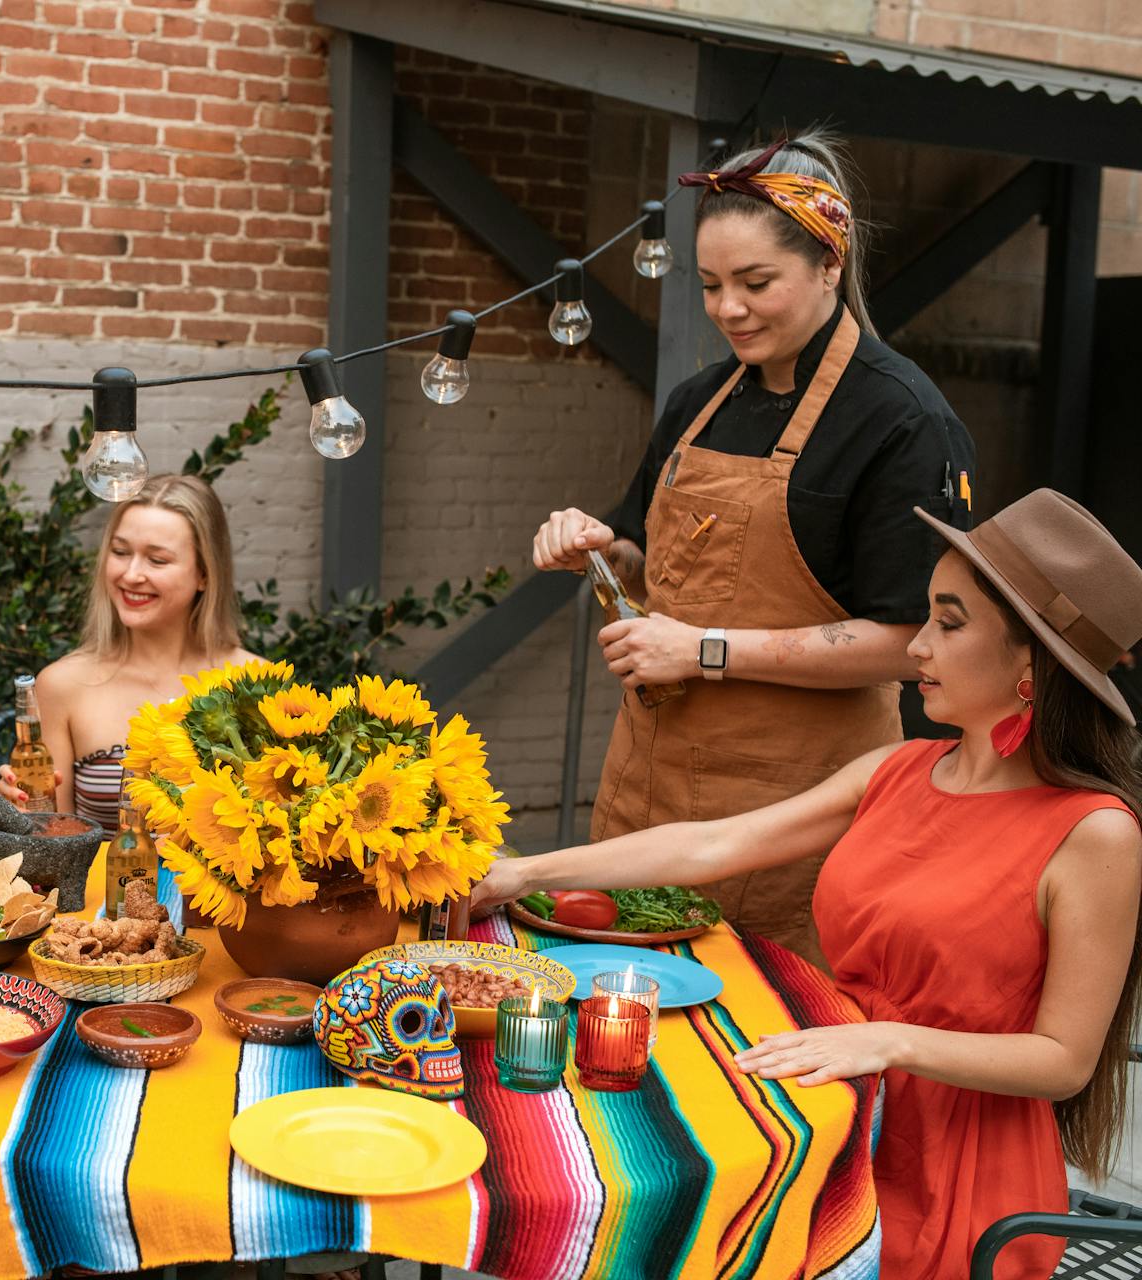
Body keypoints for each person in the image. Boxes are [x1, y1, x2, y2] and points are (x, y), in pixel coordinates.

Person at [479, 489, 1142, 1280]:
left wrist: (883, 1041)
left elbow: (1065, 1059)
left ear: (1030, 662)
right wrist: (525, 872)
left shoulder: (1095, 831)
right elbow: (715, 844)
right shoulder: (899, 770)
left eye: (949, 623)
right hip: (828, 1120)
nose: (918, 647)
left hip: (951, 1180)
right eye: (927, 616)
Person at [531, 130, 980, 965]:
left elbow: (907, 645)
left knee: (759, 1049)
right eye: (709, 286)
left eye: (755, 283)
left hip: (791, 822)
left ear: (828, 266)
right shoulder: (699, 401)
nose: (727, 309)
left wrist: (700, 650)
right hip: (645, 796)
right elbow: (642, 558)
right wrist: (597, 548)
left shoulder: (900, 422)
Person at [0, 473, 260, 824]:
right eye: (120, 552)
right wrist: (17, 811)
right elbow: (51, 845)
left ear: (204, 574)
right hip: (97, 879)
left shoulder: (256, 683)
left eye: (157, 560)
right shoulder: (62, 685)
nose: (132, 574)